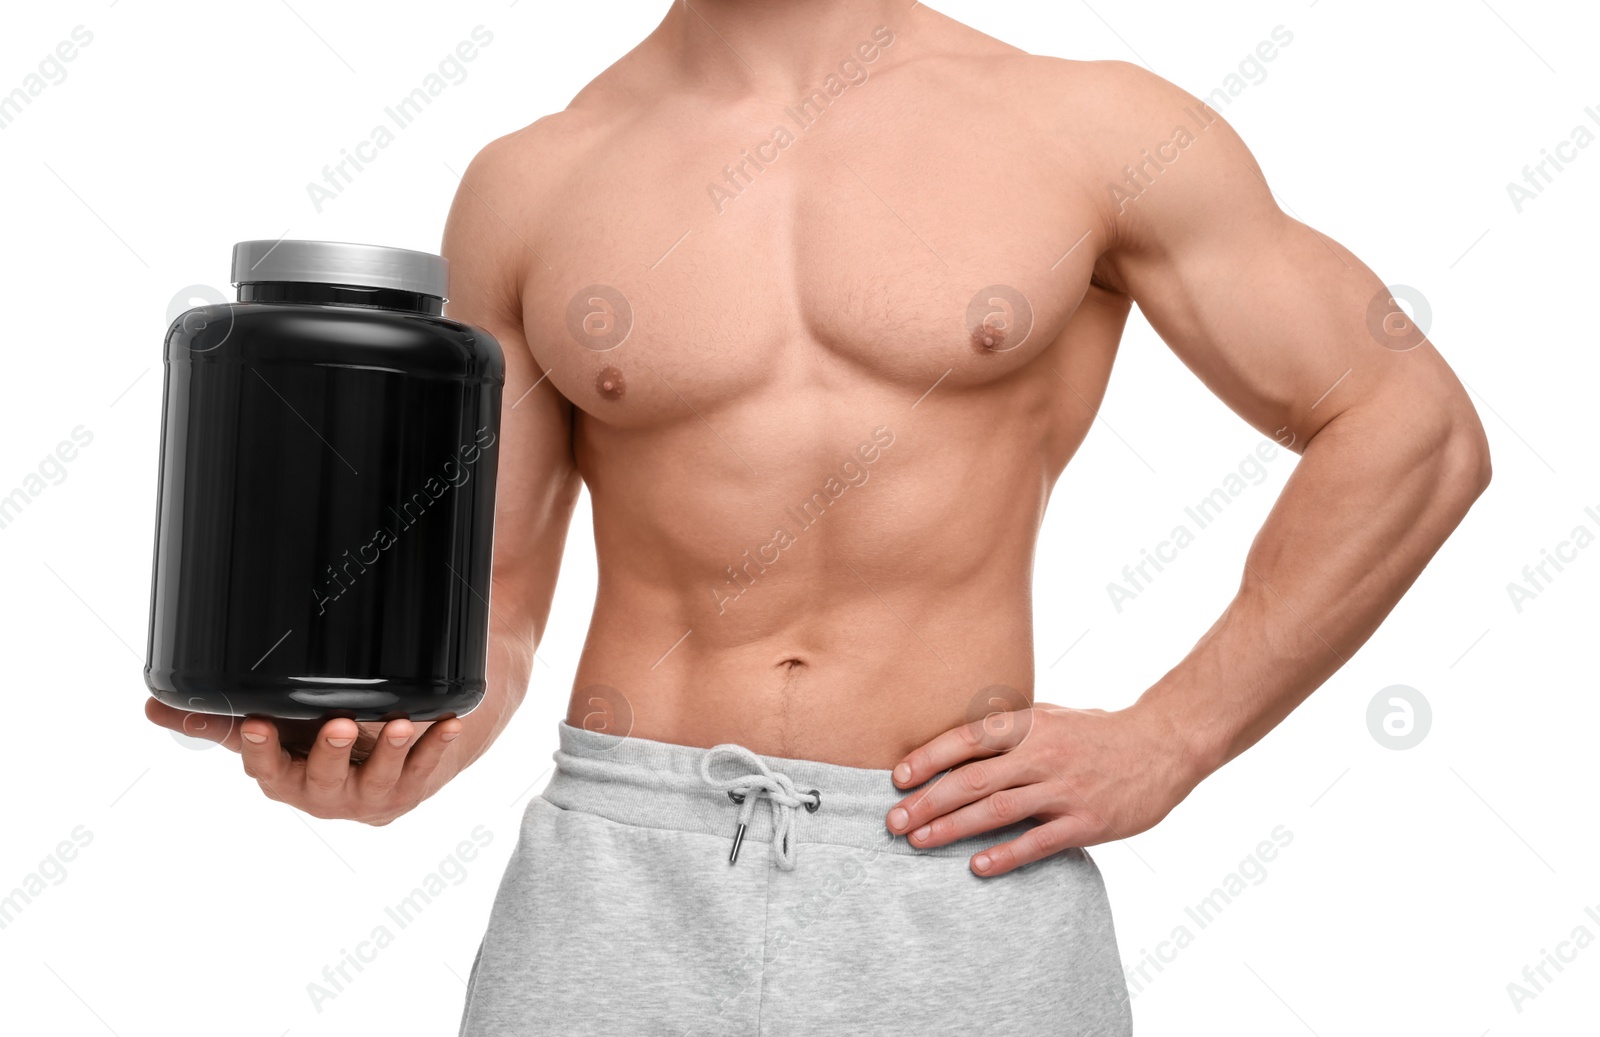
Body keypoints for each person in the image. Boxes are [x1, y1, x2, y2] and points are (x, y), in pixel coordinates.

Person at [146, 2, 1491, 1032]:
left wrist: (1173, 736)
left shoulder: (1093, 128)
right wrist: (386, 750)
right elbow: (493, 608)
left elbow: (1408, 426)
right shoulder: (537, 177)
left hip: (962, 866)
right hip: (619, 872)